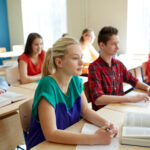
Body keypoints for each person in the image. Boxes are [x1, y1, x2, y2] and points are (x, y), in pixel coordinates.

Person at [27, 37, 117, 149]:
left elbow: (86, 111)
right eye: (75, 58)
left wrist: (107, 124)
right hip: (43, 145)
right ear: (59, 62)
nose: (81, 62)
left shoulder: (75, 81)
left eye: (81, 57)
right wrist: (95, 138)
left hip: (65, 141)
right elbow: (51, 133)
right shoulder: (47, 85)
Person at [88, 26, 150, 111]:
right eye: (113, 44)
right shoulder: (94, 67)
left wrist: (148, 88)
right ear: (102, 45)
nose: (118, 47)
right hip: (105, 111)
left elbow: (133, 81)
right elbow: (98, 99)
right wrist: (129, 99)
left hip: (119, 107)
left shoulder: (118, 64)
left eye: (118, 43)